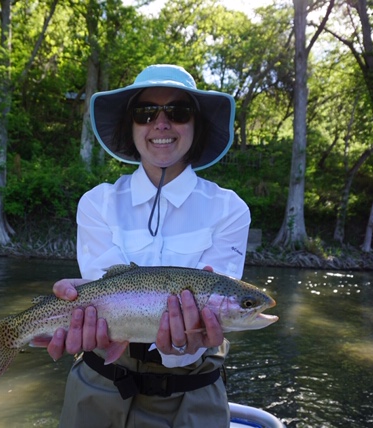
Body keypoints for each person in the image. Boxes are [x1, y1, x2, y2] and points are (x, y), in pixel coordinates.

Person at [48, 64, 250, 427]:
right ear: (132, 126)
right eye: (145, 113)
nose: (161, 123)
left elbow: (217, 309)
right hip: (98, 387)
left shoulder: (230, 209)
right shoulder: (96, 203)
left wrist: (184, 348)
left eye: (178, 112)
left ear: (195, 125)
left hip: (194, 393)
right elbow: (103, 299)